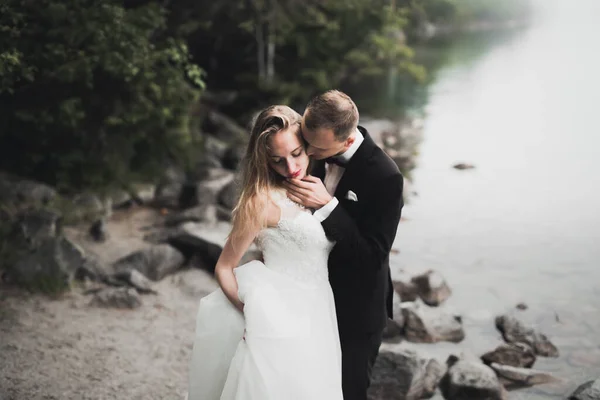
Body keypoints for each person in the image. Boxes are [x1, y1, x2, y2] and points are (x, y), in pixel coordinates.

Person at [187, 105, 343, 400]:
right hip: (276, 317)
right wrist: (251, 314)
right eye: (277, 160)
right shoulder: (260, 202)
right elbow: (224, 267)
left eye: (296, 153)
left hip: (318, 311)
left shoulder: (318, 187)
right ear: (265, 160)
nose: (291, 167)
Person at [284, 90, 404, 400]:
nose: (307, 151)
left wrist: (329, 207)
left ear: (347, 141)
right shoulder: (308, 152)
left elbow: (372, 256)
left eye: (316, 146)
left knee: (348, 391)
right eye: (305, 141)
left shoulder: (386, 177)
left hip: (356, 308)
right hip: (309, 296)